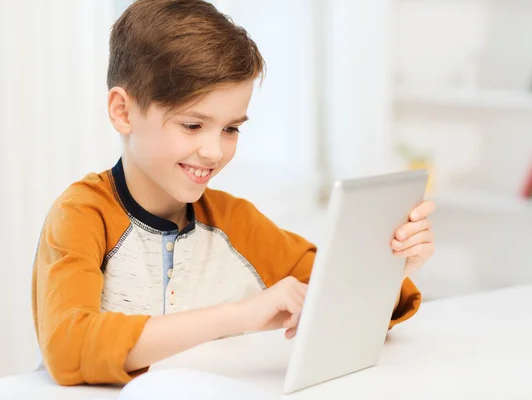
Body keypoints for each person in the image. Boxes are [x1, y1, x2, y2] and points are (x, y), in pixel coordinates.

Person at [31, 0, 436, 386]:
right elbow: (69, 348)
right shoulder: (82, 215)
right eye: (192, 125)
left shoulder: (236, 222)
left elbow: (332, 295)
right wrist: (239, 315)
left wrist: (394, 266)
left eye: (231, 129)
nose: (214, 151)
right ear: (123, 111)